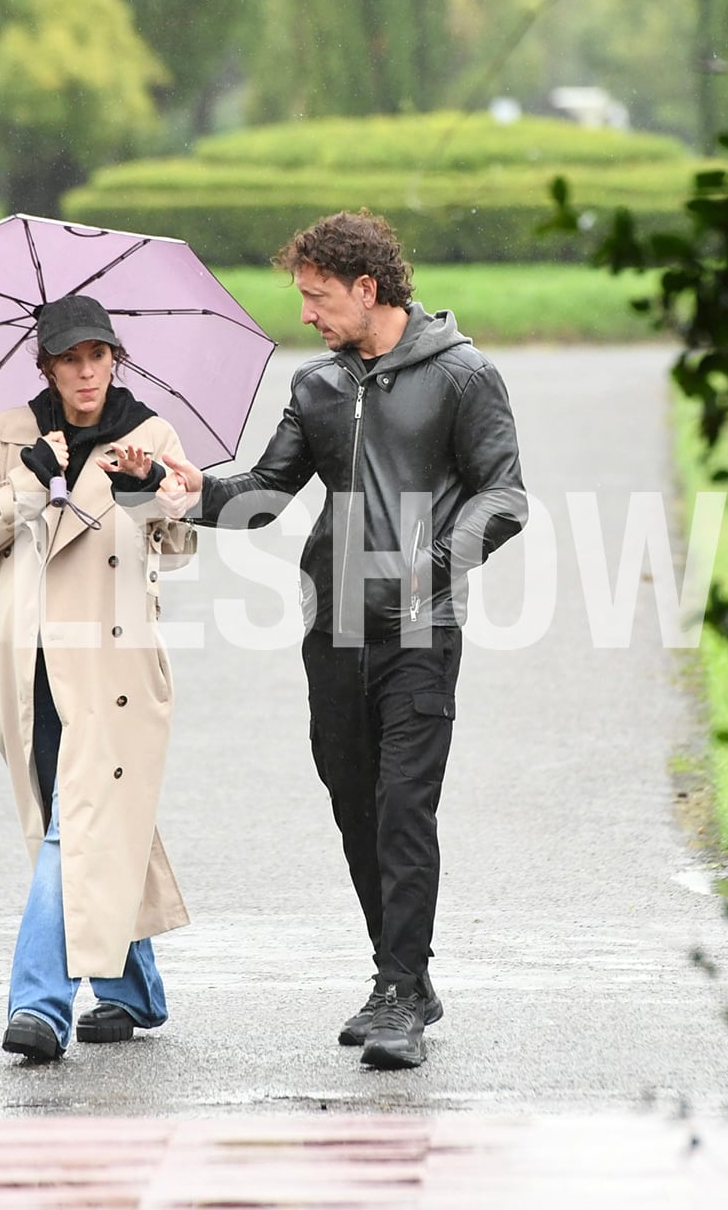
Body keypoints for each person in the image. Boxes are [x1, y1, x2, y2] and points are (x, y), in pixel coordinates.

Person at [162, 210, 527, 1070]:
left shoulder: (465, 377)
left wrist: (427, 567)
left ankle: (402, 991)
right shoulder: (317, 388)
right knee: (354, 801)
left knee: (405, 805)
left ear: (369, 290)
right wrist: (180, 492)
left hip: (420, 630)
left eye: (318, 298)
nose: (307, 316)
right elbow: (265, 494)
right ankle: (400, 975)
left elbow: (504, 499)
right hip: (332, 629)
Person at [0, 293, 198, 1062]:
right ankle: (131, 990)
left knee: (74, 823)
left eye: (98, 357)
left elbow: (181, 541)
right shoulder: (10, 435)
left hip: (115, 664)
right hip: (31, 668)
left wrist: (147, 485)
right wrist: (27, 481)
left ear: (114, 359)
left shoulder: (149, 431)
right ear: (47, 366)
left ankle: (41, 1007)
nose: (87, 374)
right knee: (90, 821)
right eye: (70, 360)